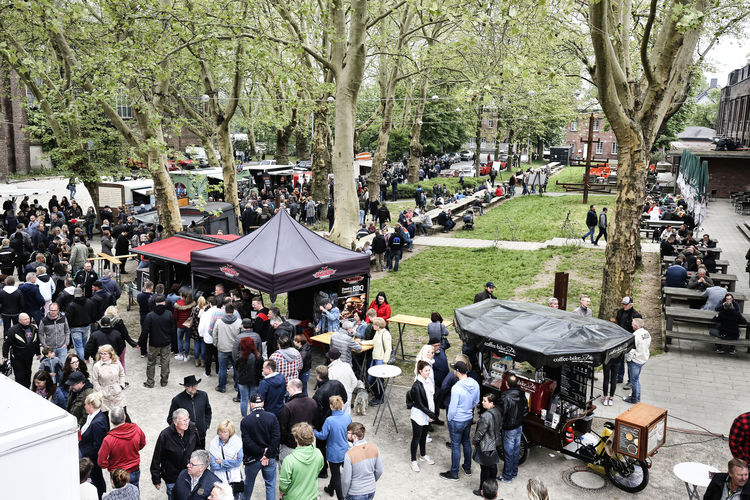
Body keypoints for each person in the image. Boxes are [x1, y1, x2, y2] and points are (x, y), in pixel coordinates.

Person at [440, 360, 480, 481]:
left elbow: (452, 408)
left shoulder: (456, 388)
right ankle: (467, 467)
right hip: (468, 418)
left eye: (454, 370)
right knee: (466, 442)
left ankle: (454, 473)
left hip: (457, 420)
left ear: (457, 372)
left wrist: (450, 418)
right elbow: (476, 401)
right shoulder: (474, 383)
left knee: (456, 446)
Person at [151, 408, 200, 499]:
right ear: (175, 422)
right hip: (172, 477)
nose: (187, 422)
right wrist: (156, 479)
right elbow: (156, 458)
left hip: (190, 473)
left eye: (188, 419)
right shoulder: (165, 435)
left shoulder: (193, 429)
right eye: (184, 420)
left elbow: (198, 448)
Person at [240, 393, 280, 500]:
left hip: (253, 459)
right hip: (269, 458)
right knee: (270, 485)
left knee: (248, 484)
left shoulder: (245, 421)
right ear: (262, 403)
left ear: (251, 404)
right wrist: (267, 454)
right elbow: (276, 438)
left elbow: (247, 442)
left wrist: (261, 451)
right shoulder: (272, 417)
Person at [98, 406, 146, 489]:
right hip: (134, 469)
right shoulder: (136, 429)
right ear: (125, 417)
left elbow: (101, 461)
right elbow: (142, 443)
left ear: (111, 420)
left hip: (117, 474)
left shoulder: (108, 439)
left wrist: (110, 465)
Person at [315, 395, 353, 499]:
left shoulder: (329, 420)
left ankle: (340, 498)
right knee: (335, 472)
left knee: (336, 476)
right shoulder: (347, 417)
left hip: (333, 452)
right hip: (345, 450)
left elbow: (322, 436)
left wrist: (314, 431)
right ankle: (330, 489)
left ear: (331, 407)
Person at [279, 422, 325, 500]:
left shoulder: (289, 460)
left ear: (296, 439)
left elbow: (284, 484)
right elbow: (318, 470)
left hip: (293, 497)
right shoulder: (318, 454)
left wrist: (281, 494)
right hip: (311, 496)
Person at [278, 378, 318, 462]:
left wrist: (282, 441)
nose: (287, 390)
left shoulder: (288, 407)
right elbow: (316, 422)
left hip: (290, 445)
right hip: (307, 442)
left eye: (288, 388)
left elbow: (282, 427)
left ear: (293, 389)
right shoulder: (313, 403)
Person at [168, 375, 213, 449]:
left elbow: (208, 411)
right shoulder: (177, 400)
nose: (194, 388)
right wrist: (181, 430)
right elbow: (170, 419)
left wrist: (206, 425)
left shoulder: (203, 395)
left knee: (201, 456)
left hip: (201, 434)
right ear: (185, 387)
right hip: (186, 437)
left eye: (195, 385)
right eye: (191, 386)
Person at [139, 294, 174, 388]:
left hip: (153, 343)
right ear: (164, 302)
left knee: (151, 363)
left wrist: (140, 343)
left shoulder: (150, 315)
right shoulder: (169, 314)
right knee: (165, 362)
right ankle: (164, 381)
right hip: (166, 342)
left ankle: (150, 382)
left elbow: (145, 331)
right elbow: (173, 329)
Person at [79, 392, 110, 497]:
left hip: (92, 458)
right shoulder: (91, 416)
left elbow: (97, 445)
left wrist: (83, 452)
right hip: (87, 454)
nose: (84, 406)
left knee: (97, 479)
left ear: (90, 406)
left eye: (85, 404)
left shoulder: (98, 422)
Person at [341, 421, 382, 500]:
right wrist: (371, 482)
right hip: (371, 490)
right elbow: (379, 470)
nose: (346, 434)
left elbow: (346, 480)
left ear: (354, 436)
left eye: (348, 432)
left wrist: (344, 494)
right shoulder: (374, 448)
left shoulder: (349, 454)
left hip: (355, 492)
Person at [472, 394, 502, 496]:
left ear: (491, 403)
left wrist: (474, 442)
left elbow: (480, 433)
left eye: (485, 401)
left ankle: (482, 491)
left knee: (484, 469)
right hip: (496, 442)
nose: (482, 402)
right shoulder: (498, 411)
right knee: (492, 466)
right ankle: (493, 487)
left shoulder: (485, 416)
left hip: (486, 445)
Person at [500, 374, 529, 483]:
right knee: (516, 451)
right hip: (519, 427)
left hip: (509, 428)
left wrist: (503, 425)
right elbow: (526, 410)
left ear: (506, 384)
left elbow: (502, 414)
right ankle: (514, 473)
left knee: (508, 453)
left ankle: (507, 477)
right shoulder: (522, 394)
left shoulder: (505, 396)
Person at [409, 360, 437, 473]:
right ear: (420, 371)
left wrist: (431, 413)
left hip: (427, 413)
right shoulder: (417, 385)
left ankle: (423, 454)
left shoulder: (428, 381)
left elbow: (431, 398)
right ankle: (413, 460)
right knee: (416, 438)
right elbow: (420, 404)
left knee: (424, 435)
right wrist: (432, 415)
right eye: (426, 370)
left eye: (429, 370)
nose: (428, 373)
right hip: (418, 415)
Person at [609, 296, 642, 391]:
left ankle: (630, 381)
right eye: (623, 304)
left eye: (625, 304)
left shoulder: (636, 315)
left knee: (630, 360)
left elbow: (637, 329)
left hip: (630, 340)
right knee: (620, 358)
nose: (624, 306)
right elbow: (619, 323)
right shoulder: (620, 312)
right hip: (621, 338)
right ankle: (619, 376)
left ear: (630, 305)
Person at [2, 312, 40, 388]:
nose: (27, 320)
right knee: (19, 376)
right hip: (17, 357)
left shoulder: (33, 328)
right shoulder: (13, 330)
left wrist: (38, 353)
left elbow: (36, 342)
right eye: (25, 319)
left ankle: (27, 389)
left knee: (28, 373)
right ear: (20, 321)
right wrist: (5, 356)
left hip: (29, 357)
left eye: (28, 318)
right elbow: (6, 344)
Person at [207, 420, 244, 499]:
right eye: (220, 431)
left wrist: (222, 462)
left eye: (225, 432)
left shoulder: (237, 442)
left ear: (230, 432)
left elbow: (238, 462)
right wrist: (230, 463)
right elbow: (213, 466)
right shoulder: (214, 443)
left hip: (234, 479)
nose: (222, 434)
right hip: (220, 479)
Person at [213, 303, 242, 394]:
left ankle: (222, 387)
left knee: (222, 368)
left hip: (222, 348)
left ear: (225, 311)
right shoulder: (239, 322)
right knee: (236, 368)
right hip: (235, 349)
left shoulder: (219, 322)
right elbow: (241, 336)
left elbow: (214, 334)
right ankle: (237, 386)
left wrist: (216, 344)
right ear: (233, 311)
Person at [91, 344, 126, 415]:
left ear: (110, 354)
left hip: (118, 393)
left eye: (105, 354)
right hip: (105, 396)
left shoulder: (116, 362)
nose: (103, 356)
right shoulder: (97, 366)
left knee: (123, 415)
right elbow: (94, 380)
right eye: (101, 354)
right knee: (108, 417)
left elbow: (122, 374)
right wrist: (101, 391)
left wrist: (121, 385)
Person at [624, 318, 650, 404]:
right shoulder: (646, 333)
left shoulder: (635, 336)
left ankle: (634, 399)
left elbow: (631, 350)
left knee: (634, 380)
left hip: (635, 360)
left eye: (632, 323)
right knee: (636, 379)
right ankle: (637, 396)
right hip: (643, 359)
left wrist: (628, 359)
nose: (631, 324)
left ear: (636, 326)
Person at [235, 336, 261, 417]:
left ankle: (244, 417)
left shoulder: (239, 356)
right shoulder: (258, 357)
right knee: (253, 400)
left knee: (244, 399)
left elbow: (236, 367)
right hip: (254, 381)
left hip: (242, 380)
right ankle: (252, 416)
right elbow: (260, 369)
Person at [327, 348, 358, 416]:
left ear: (330, 358)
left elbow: (330, 387)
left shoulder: (331, 370)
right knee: (346, 415)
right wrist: (349, 391)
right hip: (347, 395)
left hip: (337, 398)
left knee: (336, 417)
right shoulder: (347, 366)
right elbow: (354, 381)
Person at [368, 317, 391, 406]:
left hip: (380, 360)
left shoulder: (385, 334)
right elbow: (373, 342)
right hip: (375, 358)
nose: (372, 325)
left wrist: (385, 362)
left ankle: (380, 397)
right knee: (371, 379)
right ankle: (377, 396)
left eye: (374, 324)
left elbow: (388, 349)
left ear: (378, 326)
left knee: (379, 380)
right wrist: (362, 342)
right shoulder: (377, 332)